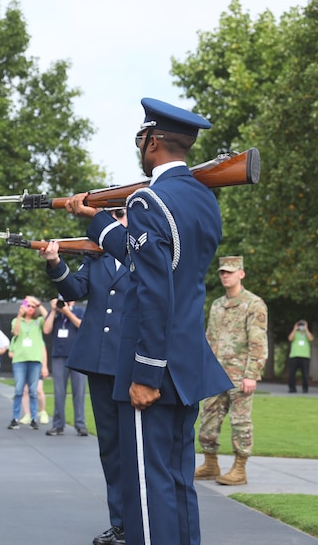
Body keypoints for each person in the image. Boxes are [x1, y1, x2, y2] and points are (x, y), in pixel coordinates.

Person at [66, 98, 234, 545]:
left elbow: (154, 290)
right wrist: (97, 220)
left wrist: (144, 372)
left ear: (153, 141)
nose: (140, 146)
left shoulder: (147, 200)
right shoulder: (204, 198)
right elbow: (159, 261)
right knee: (177, 481)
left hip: (153, 368)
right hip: (185, 362)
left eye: (141, 139)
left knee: (146, 486)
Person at [40, 209, 130, 545]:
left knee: (135, 445)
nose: (119, 220)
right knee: (109, 446)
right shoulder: (98, 256)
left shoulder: (144, 249)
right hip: (100, 360)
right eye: (117, 215)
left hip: (132, 362)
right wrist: (54, 262)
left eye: (122, 214)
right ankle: (120, 523)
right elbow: (74, 289)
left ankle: (143, 520)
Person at [194, 256, 268, 486]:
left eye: (230, 272)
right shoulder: (216, 305)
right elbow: (209, 338)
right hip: (216, 374)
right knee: (207, 421)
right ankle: (210, 463)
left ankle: (239, 468)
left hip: (240, 375)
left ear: (241, 274)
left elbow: (258, 342)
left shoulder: (254, 304)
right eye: (222, 272)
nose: (225, 275)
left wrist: (251, 374)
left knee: (241, 422)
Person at [43, 297, 87, 436]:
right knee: (59, 391)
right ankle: (58, 425)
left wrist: (68, 312)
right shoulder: (55, 313)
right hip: (59, 356)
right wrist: (54, 310)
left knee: (79, 392)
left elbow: (83, 326)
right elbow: (46, 329)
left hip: (79, 356)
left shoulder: (80, 311)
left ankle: (80, 425)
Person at [8, 296, 48, 430]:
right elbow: (16, 332)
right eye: (28, 306)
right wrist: (20, 316)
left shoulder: (38, 322)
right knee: (19, 389)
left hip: (35, 359)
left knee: (33, 391)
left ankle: (33, 418)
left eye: (32, 307)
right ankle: (15, 417)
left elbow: (47, 318)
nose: (30, 308)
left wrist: (39, 303)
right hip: (19, 359)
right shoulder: (16, 320)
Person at [287, 320, 313, 393]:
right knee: (292, 373)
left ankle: (305, 388)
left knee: (305, 374)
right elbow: (290, 338)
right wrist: (294, 329)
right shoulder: (295, 333)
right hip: (294, 356)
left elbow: (311, 339)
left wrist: (306, 329)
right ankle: (292, 388)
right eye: (300, 325)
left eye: (303, 325)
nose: (301, 326)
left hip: (305, 356)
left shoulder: (307, 334)